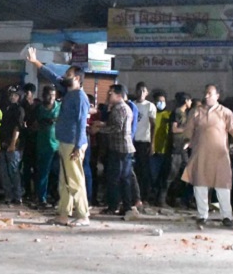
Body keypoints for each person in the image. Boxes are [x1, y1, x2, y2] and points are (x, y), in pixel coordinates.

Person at [26, 47, 90, 227]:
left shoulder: (80, 98)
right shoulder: (69, 91)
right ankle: (63, 214)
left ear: (76, 78)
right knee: (64, 180)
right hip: (65, 142)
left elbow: (80, 123)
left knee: (75, 180)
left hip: (73, 143)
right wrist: (36, 62)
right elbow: (53, 76)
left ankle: (83, 215)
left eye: (68, 73)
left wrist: (78, 146)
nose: (64, 75)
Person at [182, 84, 233, 227]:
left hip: (220, 155)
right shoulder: (196, 112)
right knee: (200, 185)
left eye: (210, 93)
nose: (207, 96)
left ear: (217, 96)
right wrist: (186, 141)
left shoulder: (225, 112)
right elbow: (188, 130)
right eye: (206, 93)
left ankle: (226, 216)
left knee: (223, 186)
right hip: (201, 154)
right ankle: (202, 215)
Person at [94, 85, 135, 215]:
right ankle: (126, 206)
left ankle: (113, 206)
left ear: (119, 95)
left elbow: (117, 128)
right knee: (124, 178)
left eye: (110, 93)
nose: (108, 96)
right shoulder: (124, 108)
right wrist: (103, 124)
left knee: (114, 178)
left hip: (119, 148)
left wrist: (99, 129)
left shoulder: (119, 109)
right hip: (124, 148)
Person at [162, 92, 192, 207]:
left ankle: (176, 198)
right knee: (171, 174)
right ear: (185, 101)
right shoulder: (177, 113)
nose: (191, 102)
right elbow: (174, 129)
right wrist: (187, 128)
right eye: (189, 100)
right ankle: (162, 198)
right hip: (175, 147)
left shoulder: (184, 113)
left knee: (183, 173)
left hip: (182, 147)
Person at [35, 85, 60, 208]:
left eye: (54, 95)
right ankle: (42, 199)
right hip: (43, 146)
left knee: (56, 174)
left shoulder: (59, 108)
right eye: (49, 95)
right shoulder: (39, 109)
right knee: (43, 174)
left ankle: (56, 198)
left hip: (57, 147)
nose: (51, 98)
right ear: (43, 96)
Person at [0, 86, 25, 204]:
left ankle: (17, 196)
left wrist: (13, 143)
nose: (12, 96)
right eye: (11, 94)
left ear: (19, 96)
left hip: (13, 145)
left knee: (14, 171)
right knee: (5, 172)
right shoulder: (7, 108)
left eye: (14, 95)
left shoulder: (19, 110)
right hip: (4, 143)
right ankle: (8, 195)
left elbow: (17, 127)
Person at [133, 82, 156, 206]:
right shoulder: (133, 105)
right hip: (133, 141)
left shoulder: (150, 106)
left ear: (147, 93)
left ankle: (144, 196)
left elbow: (153, 126)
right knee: (133, 170)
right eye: (139, 90)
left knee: (144, 171)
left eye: (143, 91)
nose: (141, 93)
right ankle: (134, 196)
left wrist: (152, 144)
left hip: (144, 142)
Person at [151, 90, 171, 205]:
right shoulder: (152, 114)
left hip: (165, 150)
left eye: (163, 101)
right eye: (159, 101)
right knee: (153, 175)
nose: (161, 103)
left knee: (162, 176)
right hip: (153, 150)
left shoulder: (168, 115)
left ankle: (159, 198)